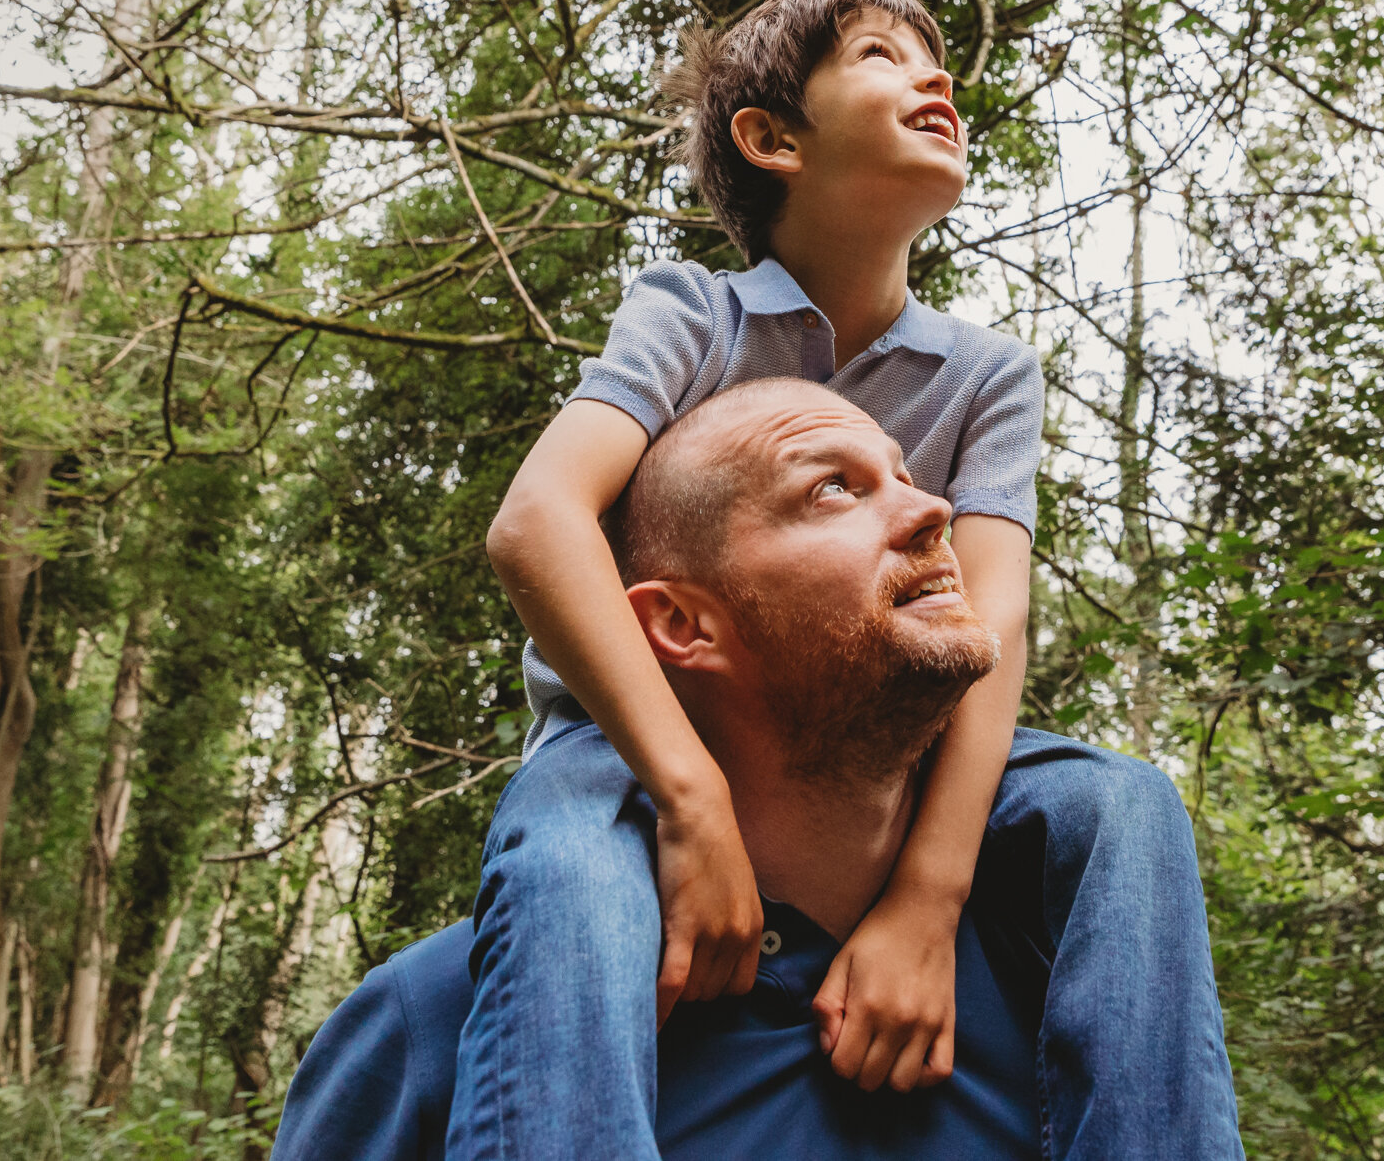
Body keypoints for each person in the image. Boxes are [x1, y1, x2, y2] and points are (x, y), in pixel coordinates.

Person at [270, 381, 1244, 1161]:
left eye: (904, 475)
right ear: (682, 625)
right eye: (832, 488)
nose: (934, 510)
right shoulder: (447, 1023)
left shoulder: (1079, 985)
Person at [463, 0, 1051, 1158]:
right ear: (771, 139)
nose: (936, 80)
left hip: (882, 751)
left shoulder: (986, 373)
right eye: (884, 57)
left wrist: (927, 904)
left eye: (938, 63)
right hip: (631, 739)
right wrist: (688, 797)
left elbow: (994, 625)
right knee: (573, 859)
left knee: (1122, 810)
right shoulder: (693, 314)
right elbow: (537, 524)